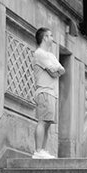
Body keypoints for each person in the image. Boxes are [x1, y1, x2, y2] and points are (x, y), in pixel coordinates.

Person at [31, 27, 64, 159]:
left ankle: (43, 150)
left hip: (51, 92)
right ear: (44, 38)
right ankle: (38, 150)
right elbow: (53, 71)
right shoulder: (39, 53)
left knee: (48, 123)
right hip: (44, 91)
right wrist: (56, 70)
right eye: (50, 35)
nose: (52, 38)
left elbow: (61, 70)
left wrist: (56, 70)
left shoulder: (50, 55)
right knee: (43, 121)